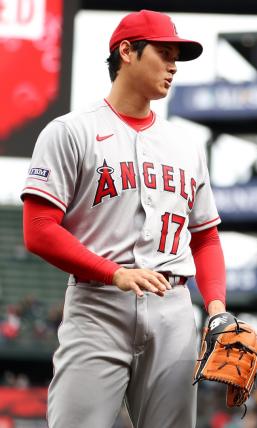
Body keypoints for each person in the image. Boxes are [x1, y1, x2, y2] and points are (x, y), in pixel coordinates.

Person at [21, 10, 227, 427]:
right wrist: (113, 272)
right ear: (127, 51)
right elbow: (39, 229)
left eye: (177, 57)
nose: (172, 65)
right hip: (99, 304)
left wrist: (217, 307)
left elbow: (205, 238)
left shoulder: (185, 146)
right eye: (164, 52)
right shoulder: (70, 132)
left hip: (173, 308)